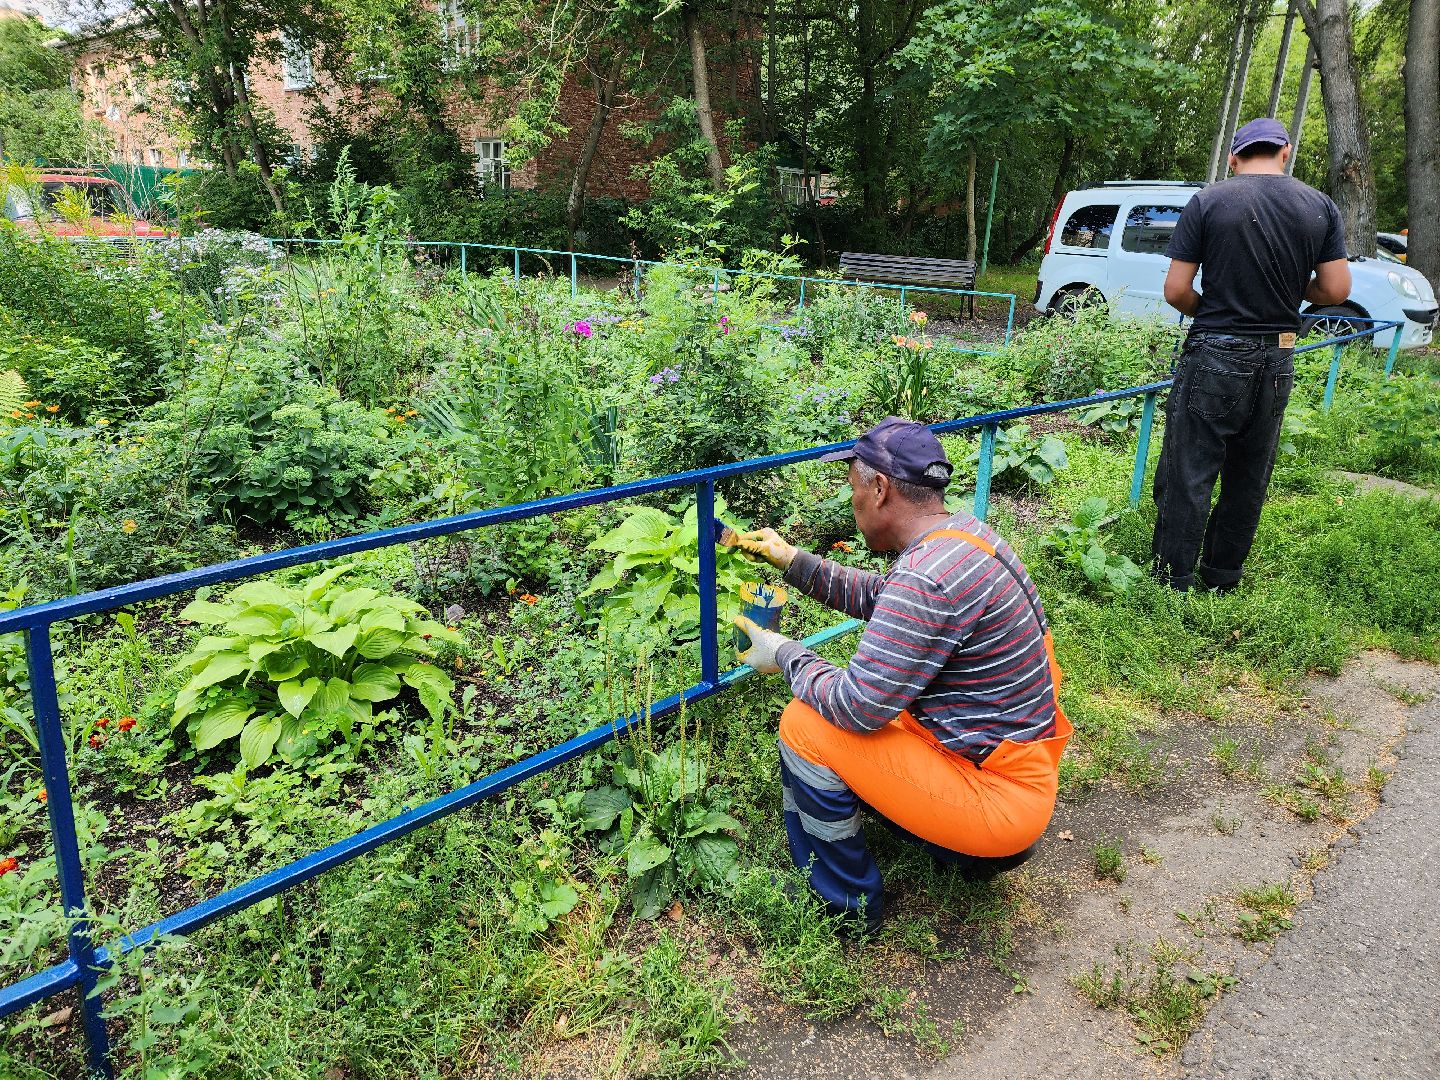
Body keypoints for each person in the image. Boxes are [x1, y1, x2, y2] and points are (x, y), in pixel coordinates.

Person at [729, 417, 1071, 934]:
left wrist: (783, 654)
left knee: (806, 725)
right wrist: (792, 560)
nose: (852, 502)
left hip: (997, 800)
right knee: (863, 717)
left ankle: (843, 905)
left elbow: (856, 707)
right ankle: (948, 843)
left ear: (880, 489)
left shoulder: (926, 578)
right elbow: (885, 595)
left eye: (853, 489)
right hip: (1014, 769)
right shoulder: (964, 537)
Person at [1155, 117, 1352, 593]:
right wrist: (1292, 292)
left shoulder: (1208, 202)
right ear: (1285, 152)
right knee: (1249, 473)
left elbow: (1176, 290)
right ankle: (1221, 577)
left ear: (1233, 158)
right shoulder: (1319, 207)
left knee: (1189, 469)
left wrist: (1211, 313)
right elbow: (1335, 289)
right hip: (1278, 355)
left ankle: (1172, 579)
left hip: (1214, 353)